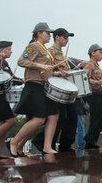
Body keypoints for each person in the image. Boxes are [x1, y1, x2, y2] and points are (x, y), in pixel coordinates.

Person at [9, 23, 70, 156]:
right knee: (39, 119)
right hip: (34, 85)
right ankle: (14, 141)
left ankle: (47, 146)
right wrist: (40, 65)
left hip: (44, 85)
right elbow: (21, 61)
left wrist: (59, 73)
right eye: (47, 33)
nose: (49, 35)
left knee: (54, 116)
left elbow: (47, 71)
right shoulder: (34, 46)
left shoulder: (45, 50)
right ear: (39, 33)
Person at [83, 43, 102, 149]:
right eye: (100, 52)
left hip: (98, 93)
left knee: (95, 118)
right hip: (93, 93)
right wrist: (98, 82)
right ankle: (90, 137)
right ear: (93, 53)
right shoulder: (89, 65)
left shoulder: (97, 66)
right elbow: (85, 79)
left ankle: (91, 141)